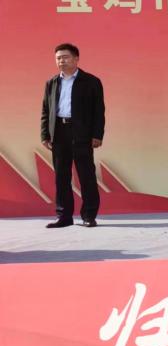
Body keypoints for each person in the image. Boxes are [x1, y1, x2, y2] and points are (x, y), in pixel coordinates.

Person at [40, 43, 105, 228]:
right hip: (59, 132)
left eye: (65, 57)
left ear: (76, 59)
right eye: (58, 58)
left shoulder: (91, 81)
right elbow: (46, 110)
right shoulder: (52, 82)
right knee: (61, 177)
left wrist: (97, 134)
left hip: (82, 133)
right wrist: (45, 134)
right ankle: (64, 216)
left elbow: (98, 111)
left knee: (86, 175)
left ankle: (89, 216)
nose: (61, 61)